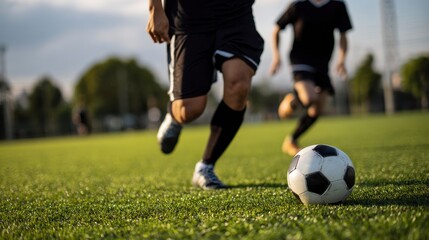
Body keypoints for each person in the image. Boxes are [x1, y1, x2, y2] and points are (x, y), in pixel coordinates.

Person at [146, 0, 264, 189]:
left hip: (235, 14)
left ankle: (205, 166)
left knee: (239, 86)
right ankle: (175, 116)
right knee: (189, 110)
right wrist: (155, 8)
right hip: (189, 17)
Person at [269, 0, 352, 156]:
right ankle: (295, 98)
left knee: (317, 109)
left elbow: (343, 35)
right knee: (309, 98)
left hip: (322, 63)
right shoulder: (298, 6)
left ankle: (291, 139)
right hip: (300, 59)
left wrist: (342, 59)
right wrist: (276, 56)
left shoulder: (337, 6)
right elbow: (276, 30)